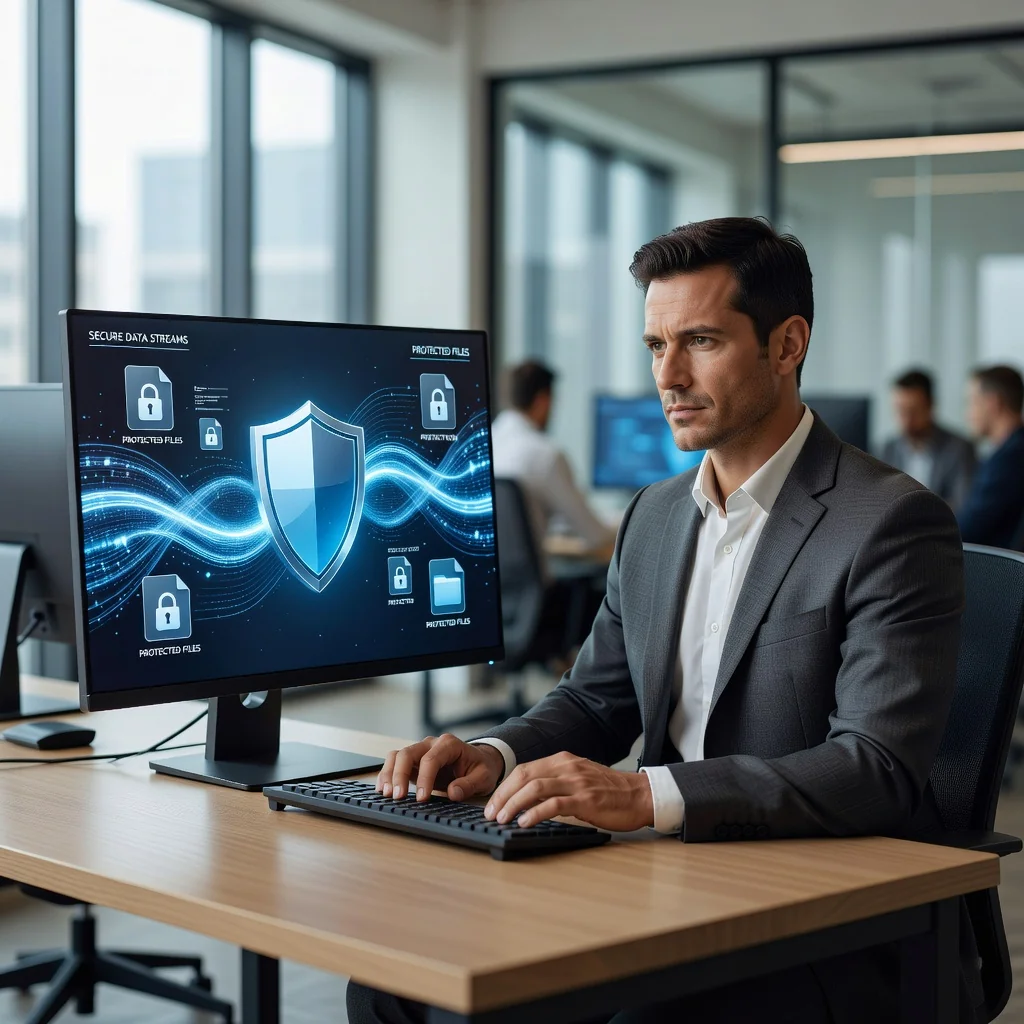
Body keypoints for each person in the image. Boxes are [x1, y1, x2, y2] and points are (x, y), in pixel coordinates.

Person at [351, 218, 970, 1024]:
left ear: (788, 346)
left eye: (701, 341)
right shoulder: (654, 515)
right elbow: (595, 701)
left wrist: (647, 795)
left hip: (810, 916)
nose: (668, 377)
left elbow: (875, 766)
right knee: (397, 986)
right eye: (655, 345)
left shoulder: (890, 522)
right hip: (653, 881)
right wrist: (495, 754)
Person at [490, 360, 616, 560]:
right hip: (533, 588)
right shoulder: (545, 455)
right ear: (542, 401)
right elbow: (595, 535)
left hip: (491, 581)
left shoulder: (483, 445)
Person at [881, 368, 975, 510]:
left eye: (913, 411)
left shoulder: (959, 449)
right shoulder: (888, 449)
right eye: (900, 411)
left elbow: (962, 506)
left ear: (930, 406)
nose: (906, 421)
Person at [958, 364, 1024, 549]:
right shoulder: (1011, 451)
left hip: (997, 573)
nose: (967, 414)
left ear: (992, 403)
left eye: (971, 402)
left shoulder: (1009, 460)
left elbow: (967, 529)